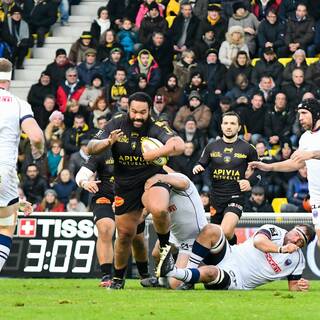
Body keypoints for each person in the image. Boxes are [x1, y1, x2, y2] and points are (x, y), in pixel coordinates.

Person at [87, 92, 185, 289]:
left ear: (149, 111)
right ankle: (117, 279)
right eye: (134, 112)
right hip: (125, 185)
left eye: (143, 112)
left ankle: (165, 249)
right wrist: (108, 142)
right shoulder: (116, 124)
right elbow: (91, 147)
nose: (138, 116)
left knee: (159, 209)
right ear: (128, 109)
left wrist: (155, 153)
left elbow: (179, 145)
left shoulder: (156, 126)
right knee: (124, 235)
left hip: (152, 179)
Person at [76, 145, 152, 286]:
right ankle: (106, 276)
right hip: (104, 196)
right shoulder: (101, 152)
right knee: (105, 228)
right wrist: (84, 182)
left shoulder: (141, 152)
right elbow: (82, 173)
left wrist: (147, 207)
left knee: (137, 237)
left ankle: (144, 275)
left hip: (131, 198)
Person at [157, 223, 315, 291]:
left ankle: (173, 272)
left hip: (237, 280)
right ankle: (187, 276)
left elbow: (293, 287)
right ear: (293, 229)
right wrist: (281, 249)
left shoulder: (297, 261)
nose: (296, 240)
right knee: (212, 230)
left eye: (302, 242)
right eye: (297, 234)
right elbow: (259, 242)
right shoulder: (274, 230)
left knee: (210, 272)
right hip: (231, 254)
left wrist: (302, 286)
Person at [250, 99, 320, 245]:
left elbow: (310, 155)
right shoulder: (305, 138)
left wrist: (312, 154)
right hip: (317, 197)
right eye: (299, 114)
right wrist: (269, 167)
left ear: (316, 114)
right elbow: (296, 163)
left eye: (304, 113)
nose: (300, 118)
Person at [0, 58, 44, 272]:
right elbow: (36, 136)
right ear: (9, 80)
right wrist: (40, 149)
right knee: (5, 227)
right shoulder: (18, 104)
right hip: (4, 172)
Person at [193, 111, 259, 245]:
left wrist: (249, 182)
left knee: (226, 231)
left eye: (233, 123)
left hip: (236, 196)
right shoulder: (211, 146)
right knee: (218, 237)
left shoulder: (248, 148)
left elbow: (259, 172)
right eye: (226, 123)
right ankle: (232, 253)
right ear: (221, 126)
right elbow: (201, 163)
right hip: (216, 197)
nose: (229, 126)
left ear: (239, 127)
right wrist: (197, 167)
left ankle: (232, 250)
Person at [141, 171, 208, 289]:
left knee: (175, 284)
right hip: (175, 235)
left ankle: (205, 273)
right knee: (156, 254)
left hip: (193, 237)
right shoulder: (156, 193)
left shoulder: (176, 179)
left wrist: (161, 177)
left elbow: (184, 183)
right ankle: (160, 281)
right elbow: (143, 213)